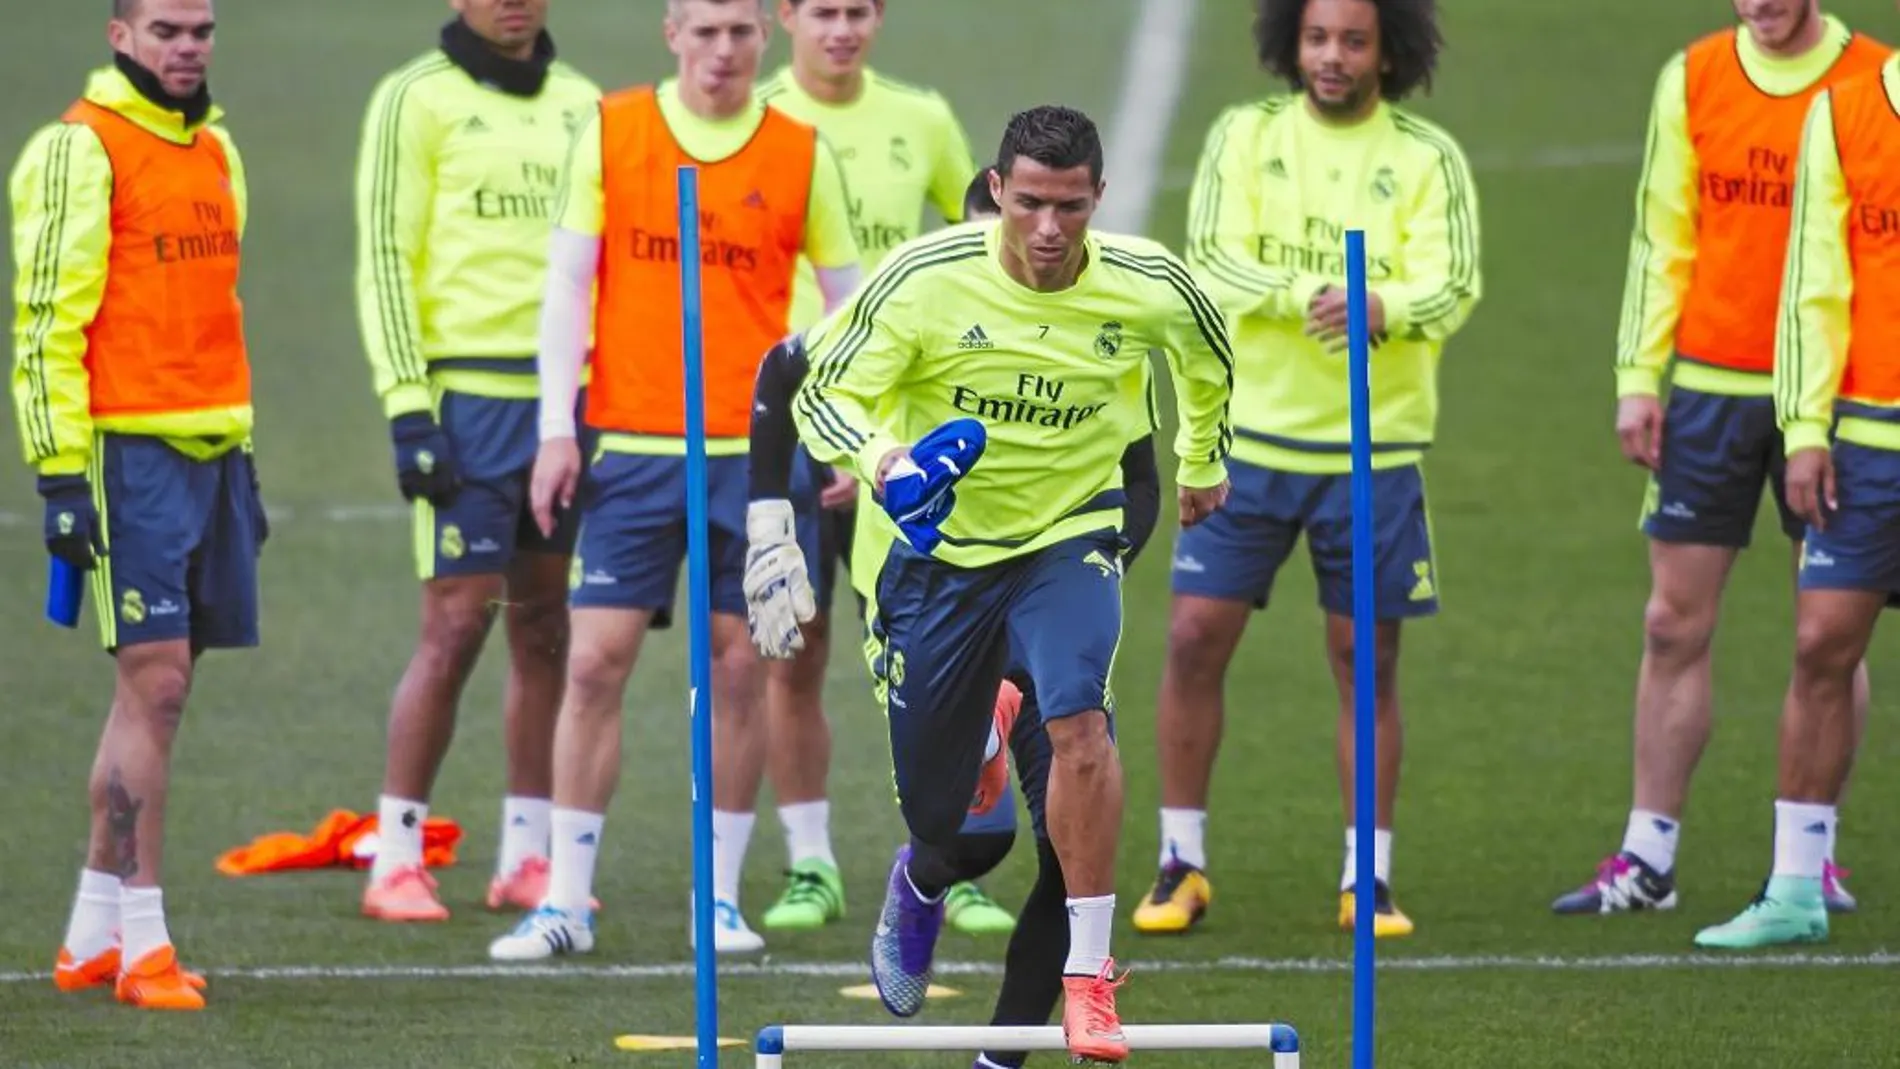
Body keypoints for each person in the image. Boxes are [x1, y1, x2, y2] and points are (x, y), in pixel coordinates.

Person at [794, 105, 1235, 1064]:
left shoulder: (1146, 284)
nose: (1047, 229)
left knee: (1079, 725)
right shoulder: (924, 282)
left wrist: (1203, 458)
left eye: (1069, 207)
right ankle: (921, 878)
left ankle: (1084, 979)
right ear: (997, 189)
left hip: (1064, 543)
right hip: (941, 566)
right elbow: (820, 389)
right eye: (1029, 203)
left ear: (1098, 200)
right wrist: (884, 463)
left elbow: (1207, 352)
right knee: (954, 827)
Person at [484, 0, 860, 961]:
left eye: (740, 31)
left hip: (756, 452)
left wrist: (847, 437)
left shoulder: (802, 152)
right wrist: (557, 428)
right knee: (595, 660)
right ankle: (565, 899)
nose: (724, 50)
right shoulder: (614, 130)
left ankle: (720, 900)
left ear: (762, 38)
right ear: (672, 34)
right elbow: (570, 282)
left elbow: (847, 306)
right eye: (706, 31)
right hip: (637, 447)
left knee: (740, 668)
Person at [1138, 0, 1480, 940]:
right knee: (1193, 639)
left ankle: (1365, 876)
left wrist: (1384, 308)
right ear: (1291, 43)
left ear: (1389, 51)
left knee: (1361, 660)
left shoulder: (1426, 158)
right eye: (1318, 38)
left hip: (1373, 456)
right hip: (1250, 446)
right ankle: (1181, 859)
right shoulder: (1244, 138)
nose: (1333, 57)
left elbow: (1453, 286)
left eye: (1354, 41)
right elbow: (1210, 261)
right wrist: (1311, 294)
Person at [1553, 0, 1884, 920]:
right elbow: (1665, 235)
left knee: (1831, 629)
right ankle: (1648, 857)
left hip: (1837, 395)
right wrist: (1638, 375)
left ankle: (1810, 853)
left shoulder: (1873, 82)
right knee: (1672, 623)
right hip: (1710, 389)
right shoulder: (1692, 77)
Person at [12, 0, 264, 1011]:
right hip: (127, 457)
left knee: (159, 692)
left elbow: (215, 304)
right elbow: (44, 320)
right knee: (152, 688)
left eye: (200, 29)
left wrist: (241, 450)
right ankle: (145, 945)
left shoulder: (216, 147)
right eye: (166, 29)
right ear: (121, 36)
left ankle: (89, 938)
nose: (187, 45)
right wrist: (61, 475)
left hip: (215, 451)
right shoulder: (81, 148)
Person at [748, 0, 995, 937]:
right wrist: (820, 436)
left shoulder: (922, 119)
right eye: (823, 12)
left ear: (878, 18)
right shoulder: (761, 126)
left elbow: (980, 236)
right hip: (805, 417)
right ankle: (812, 862)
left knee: (947, 662)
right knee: (795, 648)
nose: (841, 28)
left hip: (912, 437)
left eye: (858, 11)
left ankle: (957, 859)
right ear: (788, 17)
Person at [352, 0, 602, 924]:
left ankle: (526, 856)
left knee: (545, 625)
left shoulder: (584, 103)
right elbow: (384, 255)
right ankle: (399, 854)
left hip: (569, 401)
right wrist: (408, 404)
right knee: (456, 625)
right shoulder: (413, 98)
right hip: (465, 398)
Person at [1694, 34, 1900, 949]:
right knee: (1822, 643)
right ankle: (1793, 887)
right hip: (1865, 438)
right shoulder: (1845, 112)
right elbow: (1814, 288)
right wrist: (1806, 431)